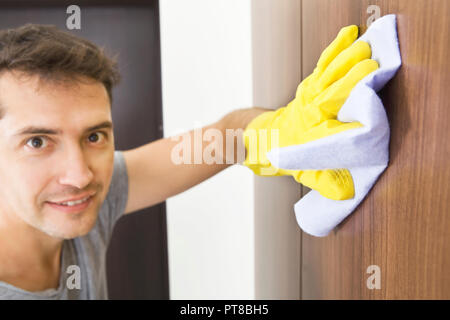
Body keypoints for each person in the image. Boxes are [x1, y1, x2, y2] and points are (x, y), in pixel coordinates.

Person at [0, 23, 266, 299]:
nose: (80, 176)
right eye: (37, 142)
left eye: (94, 137)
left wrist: (285, 128)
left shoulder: (84, 197)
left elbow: (227, 139)